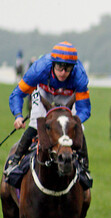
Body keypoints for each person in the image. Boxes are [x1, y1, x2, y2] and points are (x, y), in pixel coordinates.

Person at [5, 41, 92, 189]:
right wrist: (18, 115)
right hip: (44, 93)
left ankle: (84, 167)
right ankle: (15, 162)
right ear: (53, 64)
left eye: (68, 68)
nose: (63, 72)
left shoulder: (80, 76)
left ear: (74, 67)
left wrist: (72, 121)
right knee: (34, 123)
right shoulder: (39, 69)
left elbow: (84, 110)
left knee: (78, 127)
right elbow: (17, 94)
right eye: (59, 66)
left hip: (68, 97)